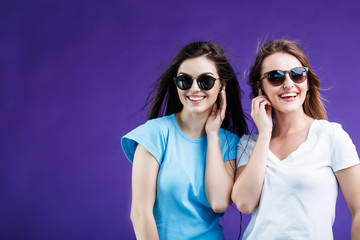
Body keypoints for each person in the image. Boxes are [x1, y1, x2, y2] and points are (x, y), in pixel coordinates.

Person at [231, 40, 360, 239]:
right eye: (275, 77)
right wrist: (264, 134)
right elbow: (245, 204)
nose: (289, 84)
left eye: (297, 74)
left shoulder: (331, 137)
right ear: (261, 87)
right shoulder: (249, 144)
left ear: (307, 82)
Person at [121, 41, 248, 239]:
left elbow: (218, 202)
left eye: (205, 80)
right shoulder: (154, 134)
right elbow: (140, 214)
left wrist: (213, 135)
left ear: (221, 85)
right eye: (185, 81)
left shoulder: (230, 142)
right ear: (176, 85)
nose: (195, 89)